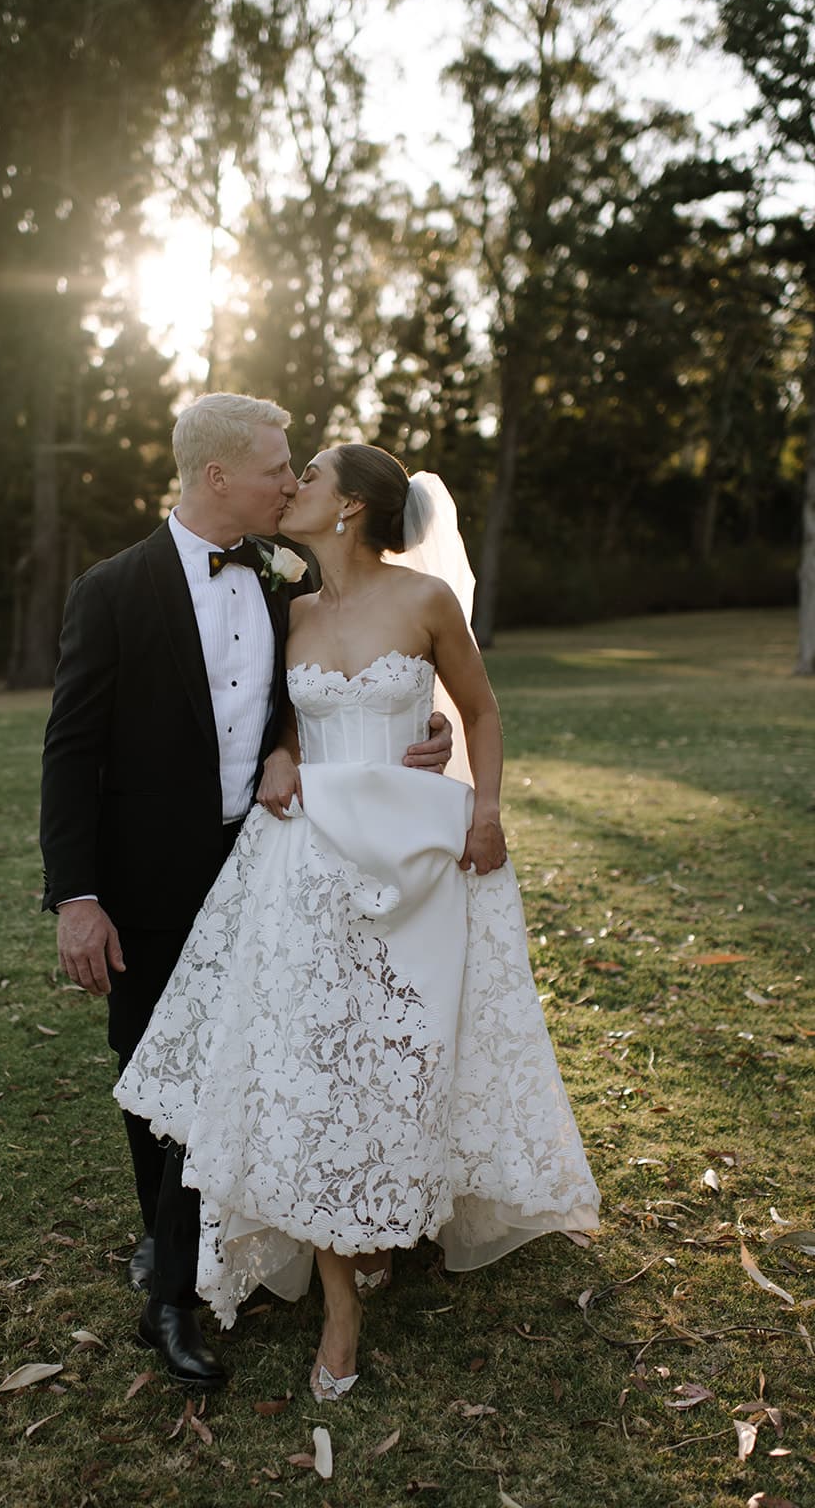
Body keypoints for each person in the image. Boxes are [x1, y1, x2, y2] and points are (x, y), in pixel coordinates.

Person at [115, 443, 601, 1402]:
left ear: (349, 510)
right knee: (313, 1058)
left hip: (417, 856)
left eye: (310, 478)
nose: (292, 488)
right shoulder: (286, 606)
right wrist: (287, 754)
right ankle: (341, 1306)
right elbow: (279, 717)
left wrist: (486, 808)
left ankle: (381, 1221)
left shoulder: (424, 602)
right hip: (307, 859)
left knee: (403, 1045)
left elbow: (482, 711)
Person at [39, 399, 453, 1392]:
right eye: (275, 467)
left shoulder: (281, 585)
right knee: (163, 1075)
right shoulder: (111, 591)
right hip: (143, 882)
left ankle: (270, 1236)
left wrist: (410, 732)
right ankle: (171, 1290)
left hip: (270, 863)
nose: (286, 481)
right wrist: (75, 895)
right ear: (217, 476)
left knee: (285, 1058)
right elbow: (70, 750)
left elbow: (320, 690)